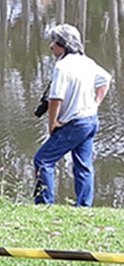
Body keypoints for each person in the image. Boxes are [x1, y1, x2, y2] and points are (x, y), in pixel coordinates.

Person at [33, 24, 111, 207]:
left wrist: (52, 123)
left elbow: (55, 98)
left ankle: (45, 204)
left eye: (54, 42)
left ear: (63, 44)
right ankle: (84, 206)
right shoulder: (87, 62)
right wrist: (95, 104)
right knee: (83, 165)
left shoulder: (62, 66)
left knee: (43, 160)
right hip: (90, 120)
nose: (51, 46)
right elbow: (105, 79)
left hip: (75, 123)